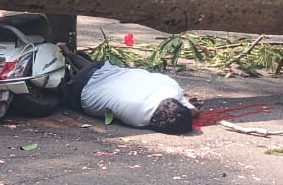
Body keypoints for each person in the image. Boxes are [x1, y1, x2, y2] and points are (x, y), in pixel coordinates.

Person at [61, 49, 198, 133]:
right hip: (79, 94)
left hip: (100, 69)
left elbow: (190, 109)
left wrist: (189, 109)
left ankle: (69, 54)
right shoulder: (138, 119)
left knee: (94, 70)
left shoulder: (171, 86)